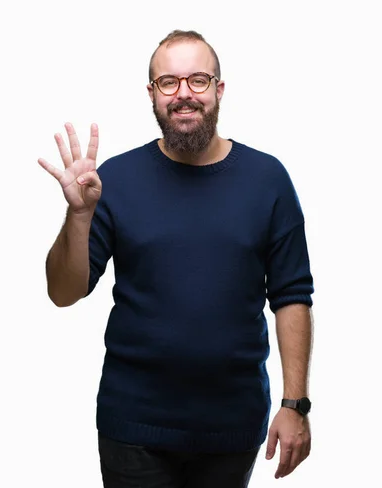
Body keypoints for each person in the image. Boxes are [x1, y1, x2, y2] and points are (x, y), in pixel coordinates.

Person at [38, 30, 315, 488]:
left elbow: (292, 296)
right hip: (134, 427)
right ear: (152, 94)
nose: (184, 93)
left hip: (232, 426)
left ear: (219, 90)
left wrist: (295, 404)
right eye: (168, 82)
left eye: (198, 80)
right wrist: (79, 214)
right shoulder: (115, 180)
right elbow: (62, 293)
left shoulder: (268, 180)